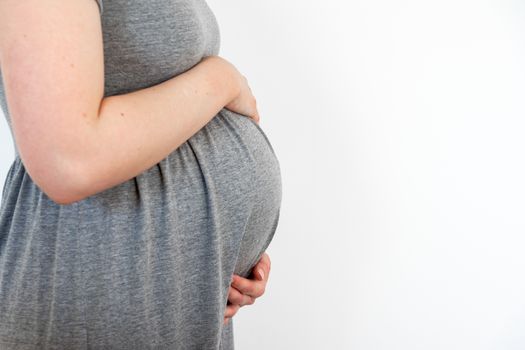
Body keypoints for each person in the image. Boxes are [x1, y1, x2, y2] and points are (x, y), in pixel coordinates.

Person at [0, 0, 282, 348]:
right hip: (103, 271)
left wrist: (226, 248)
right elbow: (68, 161)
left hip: (170, 281)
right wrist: (220, 81)